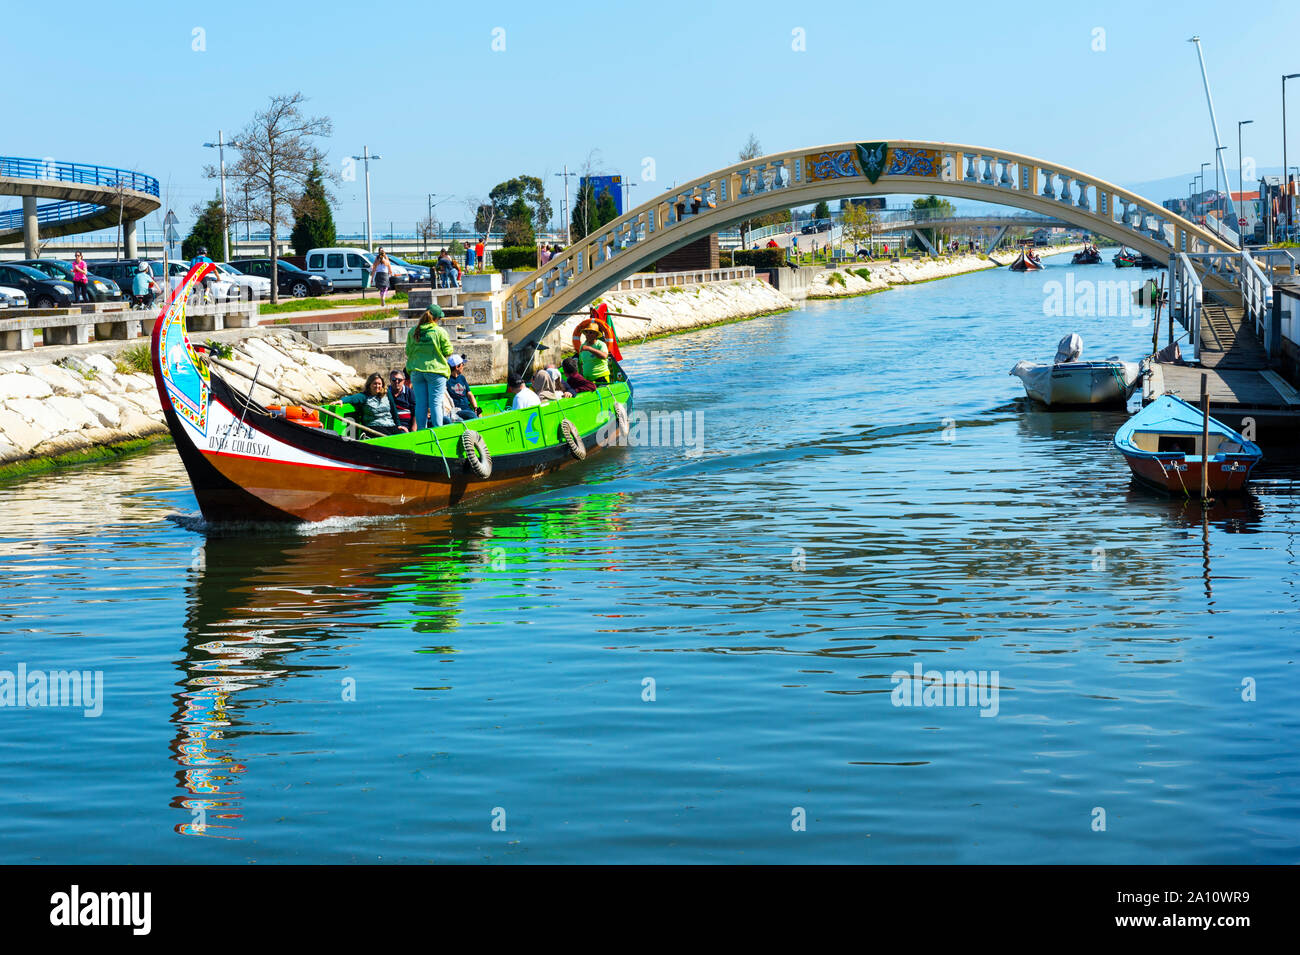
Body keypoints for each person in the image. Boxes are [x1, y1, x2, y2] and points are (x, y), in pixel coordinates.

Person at [405, 307, 453, 429]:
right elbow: (448, 351)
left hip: (416, 371)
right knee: (435, 403)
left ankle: (422, 431)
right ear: (436, 318)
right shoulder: (439, 331)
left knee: (421, 403)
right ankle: (438, 431)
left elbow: (408, 351)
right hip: (436, 371)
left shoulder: (413, 331)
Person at [339, 373, 406, 436]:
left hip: (390, 424)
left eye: (379, 384)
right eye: (375, 384)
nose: (377, 386)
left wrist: (398, 425)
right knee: (388, 437)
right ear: (369, 385)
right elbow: (352, 398)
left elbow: (393, 410)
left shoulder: (387, 394)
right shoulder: (364, 396)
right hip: (373, 426)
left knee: (401, 436)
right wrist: (342, 401)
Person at [446, 354, 479, 420]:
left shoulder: (462, 378)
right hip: (457, 411)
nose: (463, 366)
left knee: (478, 413)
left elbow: (470, 394)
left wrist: (476, 408)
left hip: (468, 409)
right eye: (462, 365)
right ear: (457, 367)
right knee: (471, 415)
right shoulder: (446, 380)